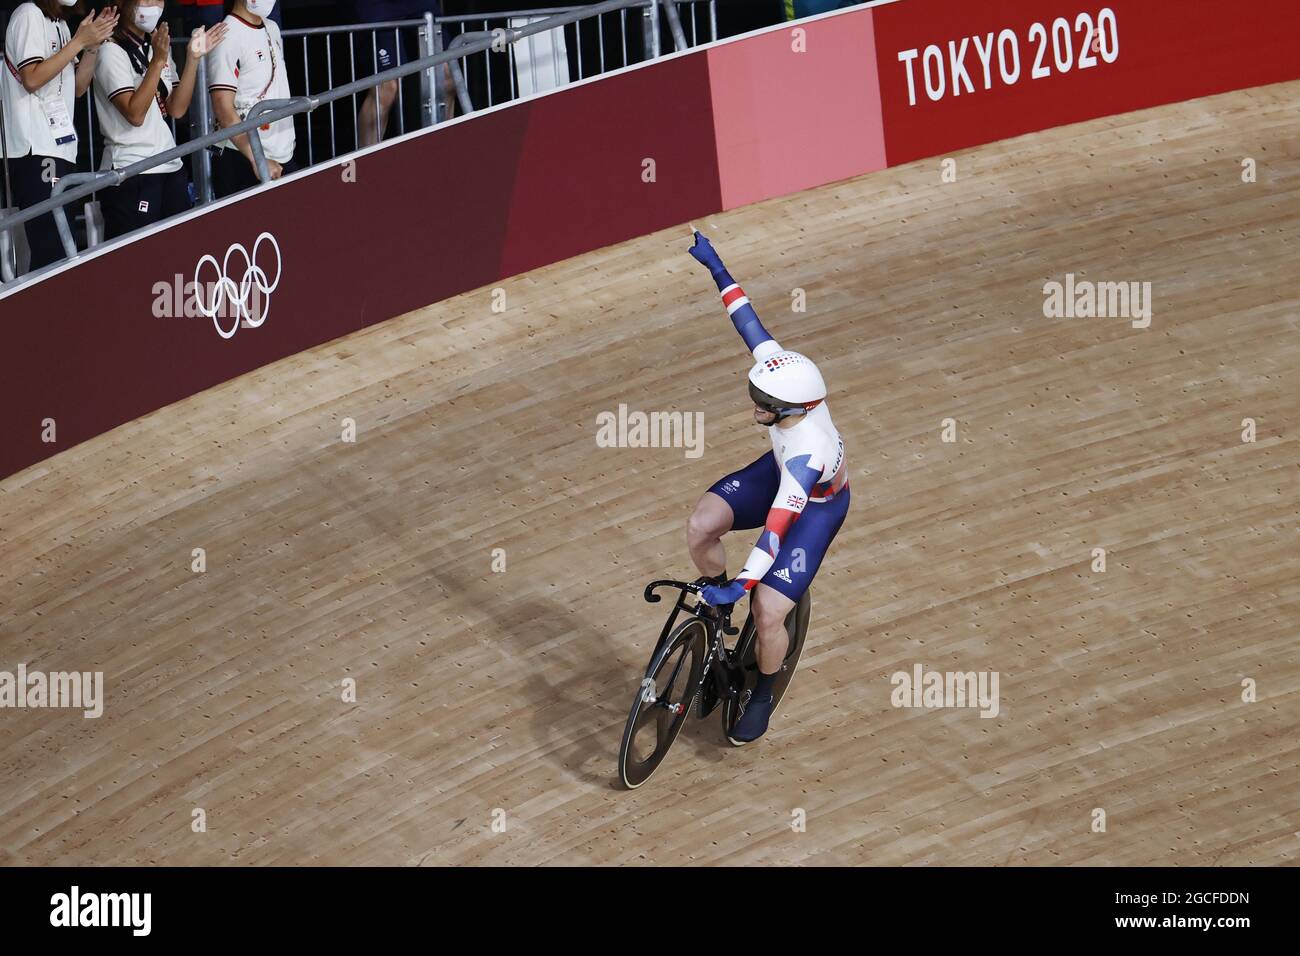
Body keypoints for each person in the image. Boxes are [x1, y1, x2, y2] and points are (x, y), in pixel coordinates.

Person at [685, 230, 850, 744]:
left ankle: (763, 694)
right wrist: (717, 268)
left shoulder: (807, 454)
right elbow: (747, 321)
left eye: (764, 401)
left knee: (768, 610)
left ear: (795, 409)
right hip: (775, 475)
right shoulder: (791, 383)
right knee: (700, 526)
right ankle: (716, 616)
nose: (755, 403)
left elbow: (776, 530)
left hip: (813, 507)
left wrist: (746, 583)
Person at [93, 1, 226, 238]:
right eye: (145, 0)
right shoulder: (110, 51)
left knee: (178, 255)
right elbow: (135, 114)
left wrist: (193, 58)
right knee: (137, 262)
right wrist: (157, 61)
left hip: (169, 163)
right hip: (131, 171)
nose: (153, 6)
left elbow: (176, 109)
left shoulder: (157, 46)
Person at [1, 1, 117, 269]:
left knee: (63, 249)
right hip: (35, 148)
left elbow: (77, 87)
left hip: (61, 146)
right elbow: (31, 78)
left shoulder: (61, 24)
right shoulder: (28, 14)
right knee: (49, 246)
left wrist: (91, 47)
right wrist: (78, 43)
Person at [206, 0, 294, 198]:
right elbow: (223, 107)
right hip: (243, 156)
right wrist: (257, 159)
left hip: (281, 154)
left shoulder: (272, 27)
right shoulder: (226, 34)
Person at [351, 0, 454, 147]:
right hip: (379, 6)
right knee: (386, 89)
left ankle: (443, 149)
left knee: (447, 75)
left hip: (419, 4)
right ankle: (363, 161)